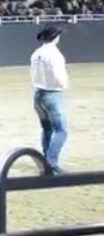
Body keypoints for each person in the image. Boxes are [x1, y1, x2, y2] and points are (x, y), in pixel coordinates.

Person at [30, 26, 69, 175]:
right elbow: (59, 76)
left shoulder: (36, 53)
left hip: (38, 94)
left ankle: (46, 159)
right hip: (52, 95)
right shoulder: (55, 54)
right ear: (55, 37)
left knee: (47, 128)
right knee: (61, 130)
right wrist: (64, 85)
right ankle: (51, 162)